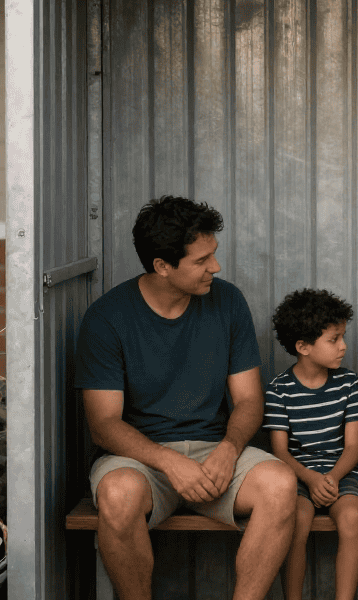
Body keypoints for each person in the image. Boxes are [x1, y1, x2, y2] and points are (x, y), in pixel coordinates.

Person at [74, 196, 296, 600]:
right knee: (118, 495)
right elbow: (104, 424)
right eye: (202, 260)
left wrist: (229, 449)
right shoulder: (107, 318)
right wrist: (167, 461)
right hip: (141, 460)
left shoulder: (227, 302)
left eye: (213, 255)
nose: (216, 267)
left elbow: (248, 400)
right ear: (162, 266)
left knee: (281, 485)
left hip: (217, 452)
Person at [264, 289, 358, 600]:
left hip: (341, 473)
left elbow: (353, 447)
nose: (343, 346)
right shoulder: (279, 390)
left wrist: (332, 478)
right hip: (296, 476)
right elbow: (280, 451)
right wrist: (310, 479)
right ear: (303, 347)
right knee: (297, 521)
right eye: (334, 339)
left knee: (351, 518)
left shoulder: (349, 384)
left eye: (343, 337)